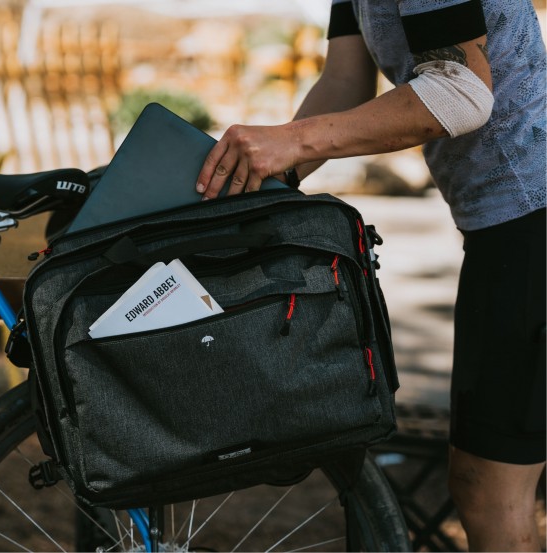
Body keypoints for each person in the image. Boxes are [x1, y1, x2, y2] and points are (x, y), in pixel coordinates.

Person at [196, 1, 546, 550]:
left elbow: (461, 90)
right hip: (505, 225)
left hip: (531, 219)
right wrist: (255, 179)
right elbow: (344, 81)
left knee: (489, 491)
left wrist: (292, 143)